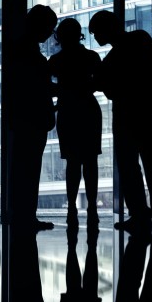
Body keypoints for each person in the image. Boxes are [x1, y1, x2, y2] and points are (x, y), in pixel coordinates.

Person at [89, 10, 152, 233]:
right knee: (151, 161)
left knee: (129, 165)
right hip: (146, 112)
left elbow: (103, 83)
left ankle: (139, 214)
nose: (95, 37)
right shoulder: (140, 40)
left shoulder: (117, 54)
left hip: (128, 114)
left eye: (96, 32)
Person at [48, 17, 102, 227]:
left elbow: (47, 87)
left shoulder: (55, 61)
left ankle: (72, 206)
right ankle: (92, 207)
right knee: (90, 161)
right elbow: (99, 83)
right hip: (88, 109)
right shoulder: (91, 57)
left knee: (72, 162)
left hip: (68, 111)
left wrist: (64, 92)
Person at [9, 4, 58, 230]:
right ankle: (26, 216)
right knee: (29, 169)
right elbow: (37, 87)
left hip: (24, 118)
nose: (50, 33)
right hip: (32, 119)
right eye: (49, 27)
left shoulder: (21, 49)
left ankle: (23, 215)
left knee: (24, 169)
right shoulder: (29, 52)